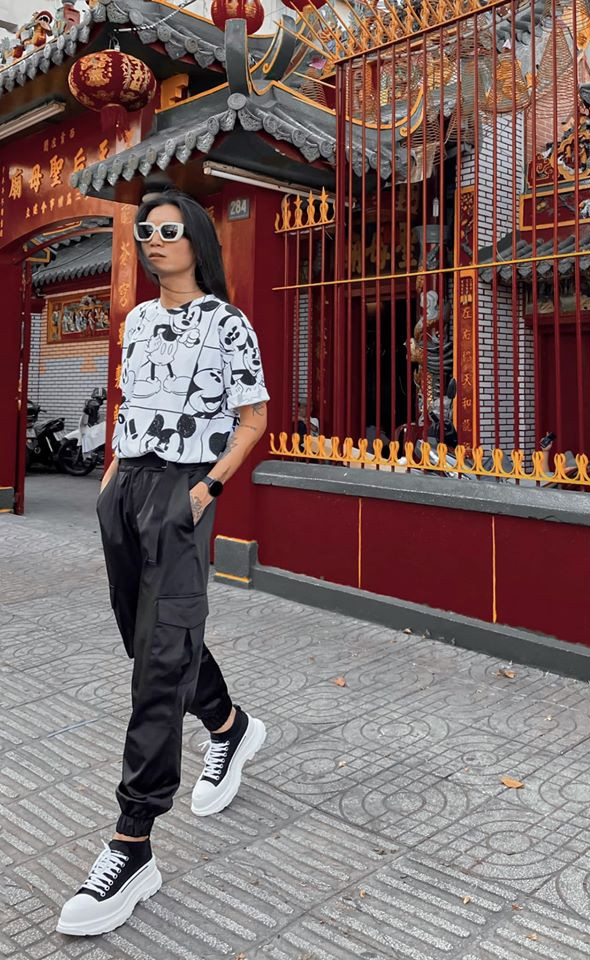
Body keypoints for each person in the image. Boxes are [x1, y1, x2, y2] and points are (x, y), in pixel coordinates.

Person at [57, 188, 270, 937]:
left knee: (159, 656)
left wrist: (207, 488)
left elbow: (253, 417)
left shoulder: (228, 323)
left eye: (168, 230)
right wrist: (113, 474)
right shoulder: (139, 320)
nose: (152, 239)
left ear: (197, 240)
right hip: (127, 489)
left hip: (184, 489)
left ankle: (132, 841)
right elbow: (130, 400)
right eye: (145, 230)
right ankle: (229, 723)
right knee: (146, 639)